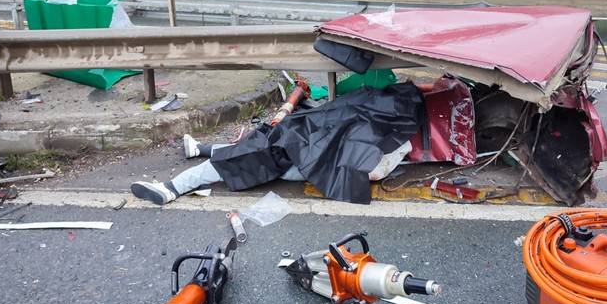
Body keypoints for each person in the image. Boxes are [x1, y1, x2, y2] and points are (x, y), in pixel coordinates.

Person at [130, 134, 411, 205]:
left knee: (237, 159)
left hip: (295, 162)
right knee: (249, 146)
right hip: (299, 157)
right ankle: (200, 148)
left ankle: (171, 189)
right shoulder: (388, 146)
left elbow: (374, 172)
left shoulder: (381, 157)